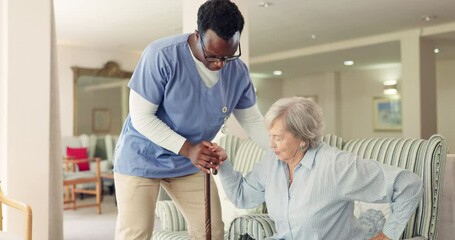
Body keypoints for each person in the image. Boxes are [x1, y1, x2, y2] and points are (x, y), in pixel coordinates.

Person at [112, 0, 268, 239]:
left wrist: (282, 149)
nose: (219, 64)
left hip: (188, 163)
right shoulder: (161, 56)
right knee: (136, 233)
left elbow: (253, 122)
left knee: (212, 231)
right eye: (213, 55)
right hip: (142, 158)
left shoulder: (237, 72)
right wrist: (188, 149)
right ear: (197, 35)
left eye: (228, 56)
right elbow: (141, 117)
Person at [212, 97, 423, 240]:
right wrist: (222, 163)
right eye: (270, 136)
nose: (271, 144)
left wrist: (388, 235)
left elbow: (408, 185)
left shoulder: (336, 166)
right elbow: (243, 197)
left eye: (277, 138)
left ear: (302, 138)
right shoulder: (272, 162)